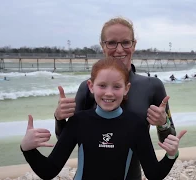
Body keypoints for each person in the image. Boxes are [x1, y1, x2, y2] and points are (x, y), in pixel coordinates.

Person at [51, 17, 177, 179]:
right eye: (111, 43)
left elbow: (169, 141)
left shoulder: (152, 86)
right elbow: (65, 139)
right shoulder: (89, 88)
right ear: (103, 45)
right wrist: (59, 118)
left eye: (125, 42)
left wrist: (163, 124)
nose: (119, 49)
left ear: (134, 44)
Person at [20, 57, 187, 179]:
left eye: (116, 86)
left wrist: (172, 155)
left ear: (126, 89)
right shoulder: (78, 122)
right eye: (102, 85)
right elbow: (49, 171)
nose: (108, 93)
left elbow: (154, 174)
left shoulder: (136, 125)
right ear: (91, 86)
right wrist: (27, 149)